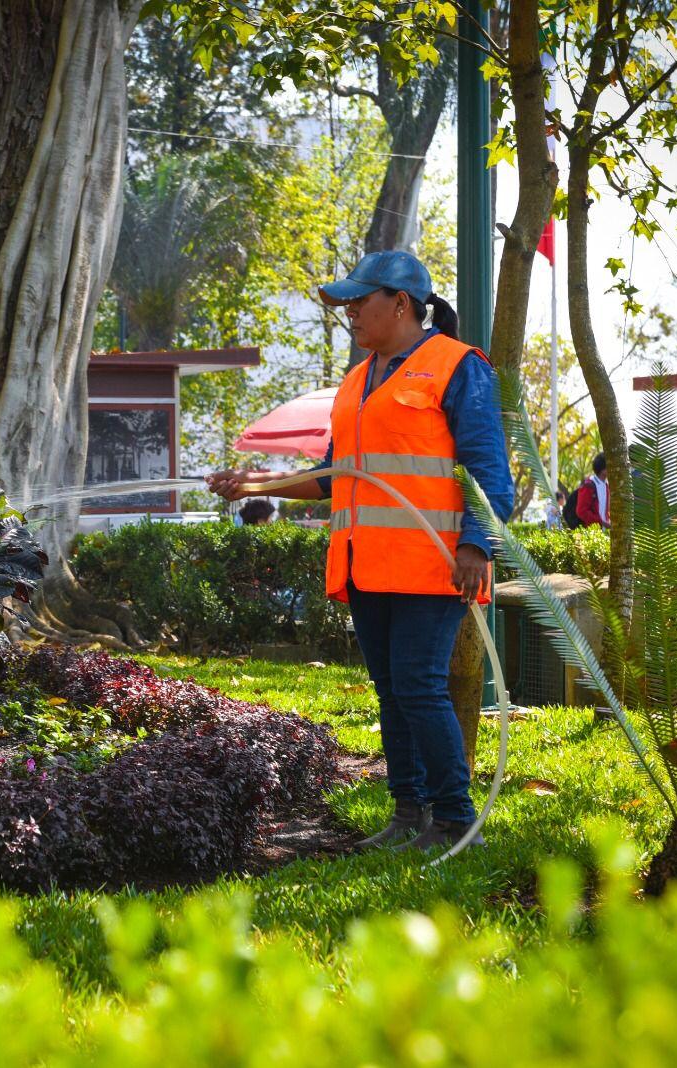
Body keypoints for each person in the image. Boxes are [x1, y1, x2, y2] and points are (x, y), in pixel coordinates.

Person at [207, 250, 515, 853]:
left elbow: (489, 472)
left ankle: (456, 822)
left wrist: (477, 546)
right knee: (393, 691)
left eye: (358, 300)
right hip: (366, 566)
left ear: (400, 304)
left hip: (432, 565)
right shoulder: (356, 381)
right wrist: (255, 484)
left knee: (419, 687)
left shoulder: (458, 367)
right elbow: (332, 476)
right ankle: (409, 814)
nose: (348, 312)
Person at [572, 453, 609, 528]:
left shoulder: (606, 485)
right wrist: (600, 522)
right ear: (603, 470)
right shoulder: (589, 485)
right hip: (591, 531)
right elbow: (581, 511)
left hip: (604, 531)